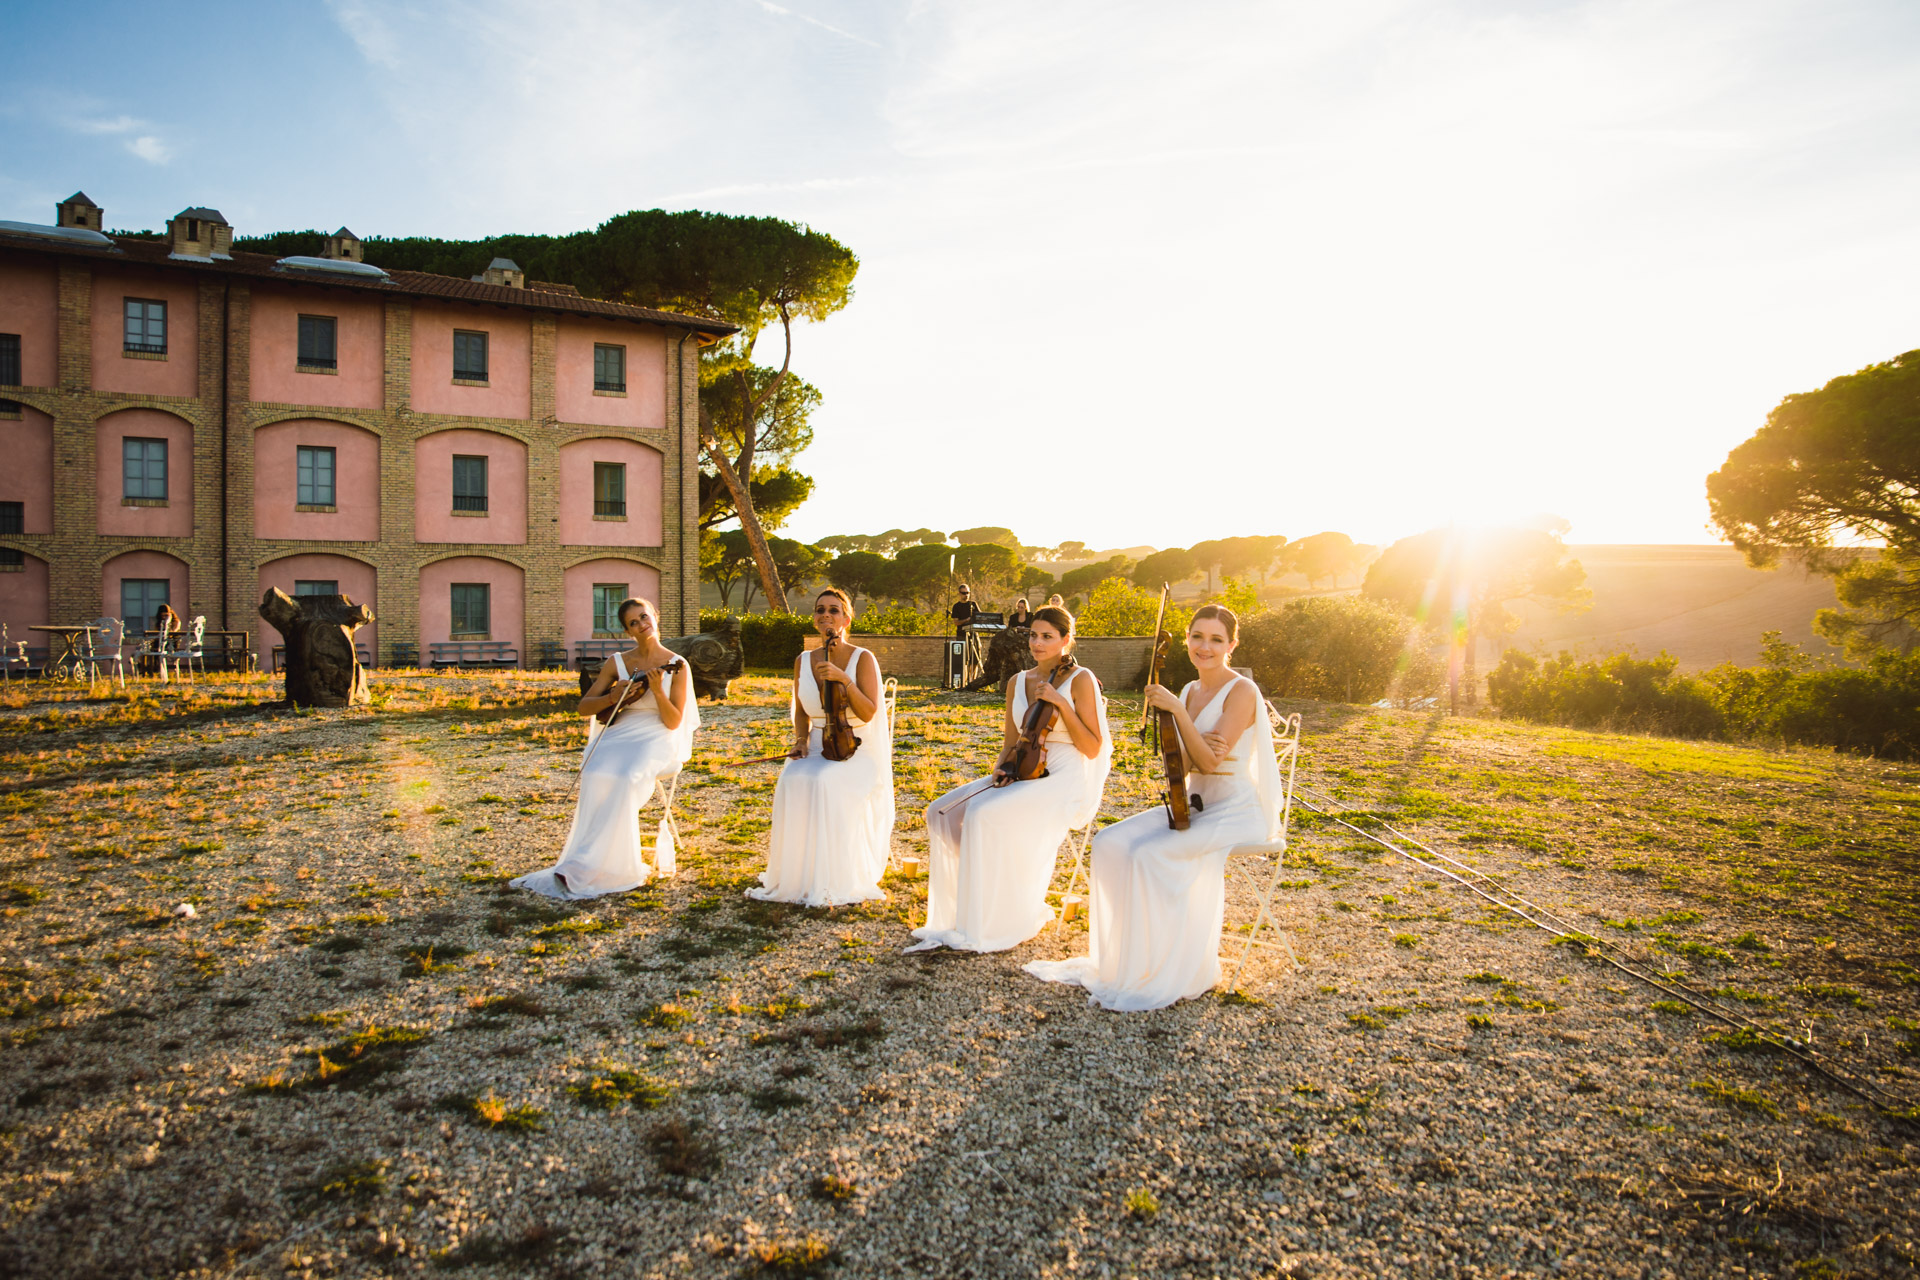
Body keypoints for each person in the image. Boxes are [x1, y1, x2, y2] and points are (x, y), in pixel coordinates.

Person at [1025, 605, 1282, 1011]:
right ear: (1187, 639)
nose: (1205, 647)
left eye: (1216, 639)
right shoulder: (1189, 690)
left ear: (1232, 645)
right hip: (1190, 802)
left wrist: (1182, 720)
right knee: (1109, 843)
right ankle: (1122, 962)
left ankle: (1165, 965)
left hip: (1234, 809)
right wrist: (1196, 739)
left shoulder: (1241, 692)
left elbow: (1210, 763)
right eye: (1197, 636)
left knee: (1148, 855)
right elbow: (1186, 758)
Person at [910, 607, 1111, 953]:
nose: (1037, 642)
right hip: (1025, 766)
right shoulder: (1018, 681)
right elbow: (1009, 742)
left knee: (981, 815)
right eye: (1033, 635)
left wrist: (1061, 704)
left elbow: (1092, 748)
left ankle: (993, 916)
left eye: (1047, 636)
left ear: (1066, 640)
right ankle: (987, 895)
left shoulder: (1081, 679)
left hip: (1063, 776)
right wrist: (1002, 768)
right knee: (941, 813)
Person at [512, 598, 697, 899]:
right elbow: (584, 707)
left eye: (644, 617)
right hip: (620, 731)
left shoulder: (677, 664)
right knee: (596, 771)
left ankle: (589, 864)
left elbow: (674, 721)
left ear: (655, 617)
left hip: (657, 735)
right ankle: (586, 859)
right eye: (633, 623)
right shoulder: (617, 663)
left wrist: (658, 690)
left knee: (625, 777)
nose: (641, 624)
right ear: (627, 631)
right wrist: (614, 696)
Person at [749, 588, 895, 906]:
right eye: (820, 610)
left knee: (824, 780)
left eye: (833, 610)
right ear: (815, 619)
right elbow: (801, 710)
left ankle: (831, 877)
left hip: (857, 747)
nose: (826, 615)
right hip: (816, 744)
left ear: (845, 618)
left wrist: (845, 680)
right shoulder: (802, 660)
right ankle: (798, 876)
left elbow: (870, 712)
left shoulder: (862, 658)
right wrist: (801, 741)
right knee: (792, 777)